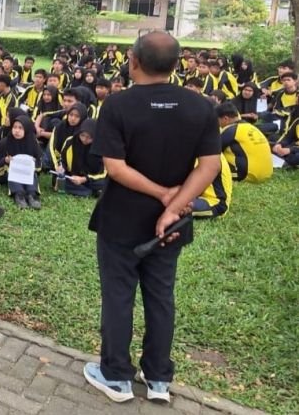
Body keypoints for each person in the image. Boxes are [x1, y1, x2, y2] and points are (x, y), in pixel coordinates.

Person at [83, 31, 221, 406]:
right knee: (161, 296)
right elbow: (210, 165)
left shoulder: (117, 105)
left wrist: (164, 196)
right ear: (177, 65)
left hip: (122, 219)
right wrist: (175, 205)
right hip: (171, 224)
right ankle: (159, 377)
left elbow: (114, 167)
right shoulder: (201, 106)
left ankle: (116, 375)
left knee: (118, 296)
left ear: (133, 61)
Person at [0, 115, 42, 209]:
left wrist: (33, 163)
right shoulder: (5, 142)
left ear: (27, 129)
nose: (17, 131)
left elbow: (39, 166)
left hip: (26, 173)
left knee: (32, 173)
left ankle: (32, 195)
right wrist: (5, 160)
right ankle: (19, 195)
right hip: (5, 172)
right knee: (12, 172)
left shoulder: (33, 142)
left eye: (20, 128)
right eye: (14, 127)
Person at [215, 103, 273, 183]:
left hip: (246, 175)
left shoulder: (230, 130)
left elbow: (212, 151)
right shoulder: (251, 127)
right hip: (267, 173)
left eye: (217, 120)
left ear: (225, 118)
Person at [59, 118, 106, 197]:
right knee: (58, 179)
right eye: (82, 135)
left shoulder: (102, 147)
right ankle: (91, 192)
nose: (84, 139)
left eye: (89, 137)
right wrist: (61, 167)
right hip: (73, 176)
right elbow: (62, 159)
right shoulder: (70, 141)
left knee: (105, 183)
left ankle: (85, 191)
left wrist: (84, 179)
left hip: (91, 178)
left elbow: (104, 174)